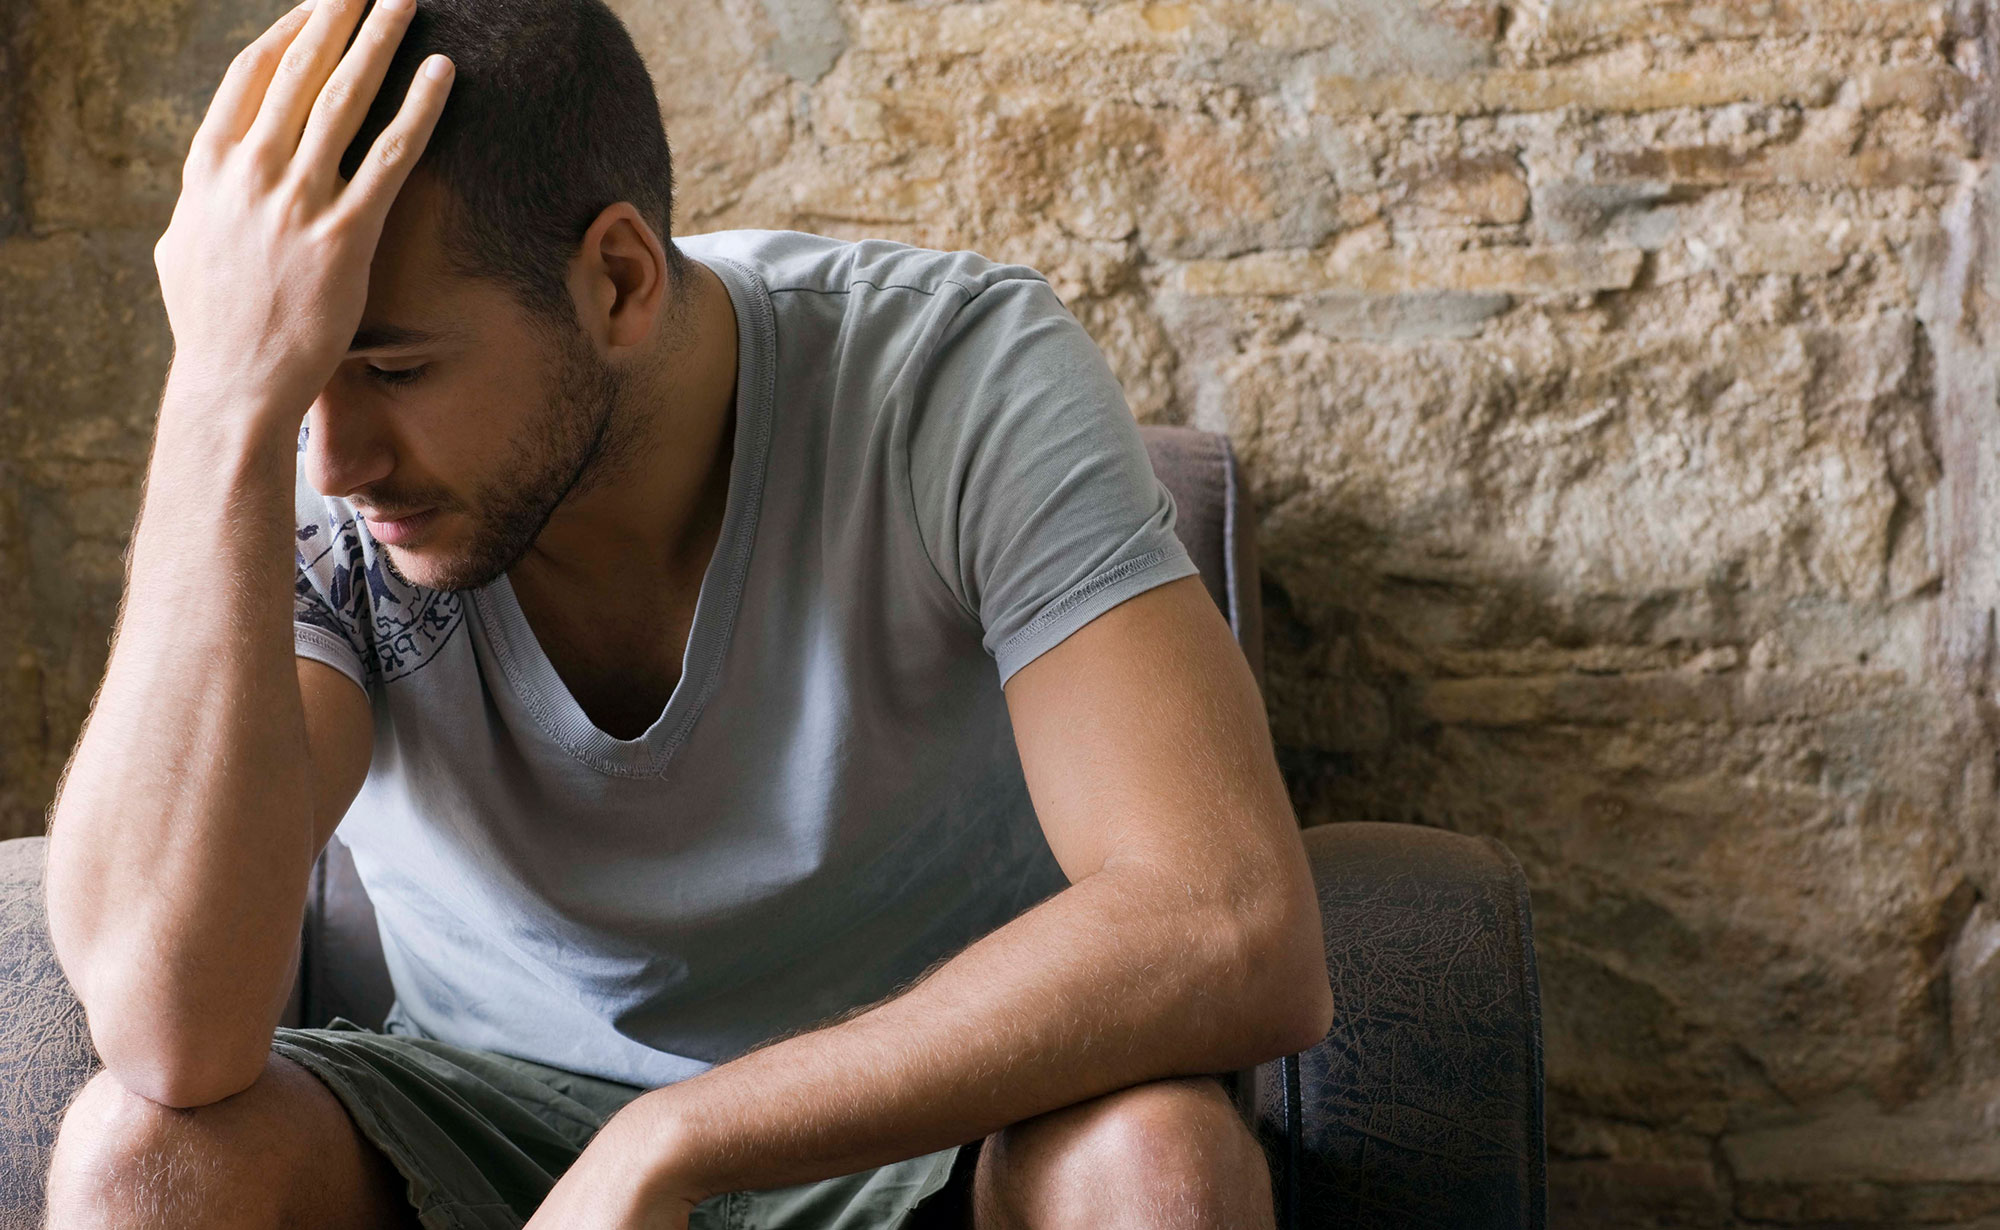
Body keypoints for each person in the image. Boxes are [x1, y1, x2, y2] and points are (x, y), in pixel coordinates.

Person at [36, 0, 1333, 1226]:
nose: (337, 458)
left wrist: (678, 1135)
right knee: (139, 1160)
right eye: (296, 369)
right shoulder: (291, 455)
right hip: (485, 1121)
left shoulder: (952, 382)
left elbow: (1226, 916)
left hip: (939, 1120)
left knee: (1157, 1162)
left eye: (396, 367)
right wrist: (218, 398)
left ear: (617, 280)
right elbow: (170, 1031)